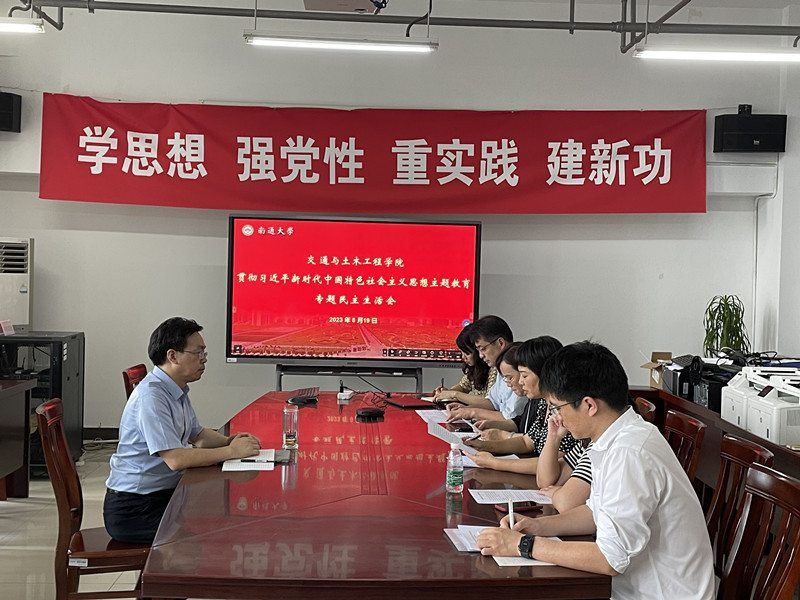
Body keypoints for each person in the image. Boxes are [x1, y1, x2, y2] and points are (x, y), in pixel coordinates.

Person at [476, 341, 715, 600]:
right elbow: (596, 512)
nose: (556, 418)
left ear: (589, 405)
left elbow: (609, 560)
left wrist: (522, 545)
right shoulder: (614, 437)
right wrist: (536, 526)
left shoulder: (629, 452)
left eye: (557, 408)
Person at [104, 317, 261, 544]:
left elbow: (198, 435)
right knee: (205, 539)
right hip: (136, 508)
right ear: (172, 356)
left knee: (216, 520)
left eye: (204, 353)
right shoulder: (152, 396)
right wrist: (232, 452)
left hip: (163, 495)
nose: (204, 359)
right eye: (198, 353)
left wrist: (230, 441)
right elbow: (175, 459)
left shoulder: (175, 389)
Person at [467, 336, 578, 463]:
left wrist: (494, 463)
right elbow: (527, 442)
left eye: (524, 375)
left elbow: (554, 463)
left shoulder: (565, 410)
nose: (520, 381)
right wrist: (482, 446)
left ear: (544, 373)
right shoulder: (544, 403)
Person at [446, 315, 527, 423]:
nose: (480, 356)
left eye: (483, 349)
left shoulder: (517, 368)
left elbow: (511, 418)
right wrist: (465, 409)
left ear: (500, 343)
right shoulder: (500, 369)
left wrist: (473, 412)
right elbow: (492, 402)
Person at [433, 324, 496, 403]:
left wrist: (454, 394)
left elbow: (489, 402)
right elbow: (462, 387)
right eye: (462, 352)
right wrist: (447, 392)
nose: (463, 357)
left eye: (467, 353)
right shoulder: (474, 368)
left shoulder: (494, 369)